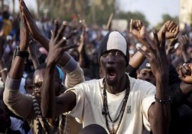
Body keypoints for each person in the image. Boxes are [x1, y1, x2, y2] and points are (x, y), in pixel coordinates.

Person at [40, 17, 171, 134]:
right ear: (100, 65)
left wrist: (161, 79)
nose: (110, 59)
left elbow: (160, 129)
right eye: (105, 55)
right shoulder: (87, 90)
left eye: (117, 54)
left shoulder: (144, 90)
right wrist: (50, 66)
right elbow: (49, 111)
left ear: (126, 62)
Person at [3, 1, 84, 133]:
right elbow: (9, 97)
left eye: (46, 82)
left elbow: (75, 71)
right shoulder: (33, 108)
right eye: (37, 85)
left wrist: (40, 37)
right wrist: (23, 47)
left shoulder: (72, 97)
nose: (40, 90)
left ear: (60, 83)